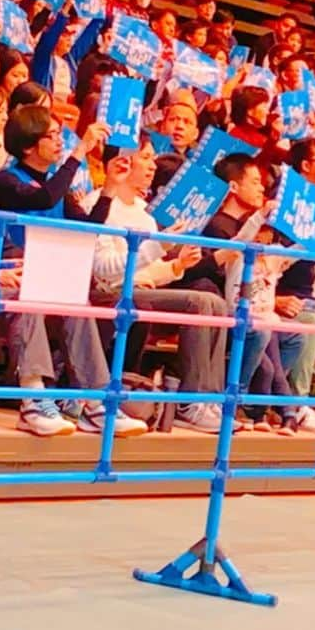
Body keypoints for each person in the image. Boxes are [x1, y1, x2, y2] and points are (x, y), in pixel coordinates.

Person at [0, 105, 147, 437]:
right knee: (30, 297)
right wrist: (79, 153)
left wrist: (109, 189)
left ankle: (96, 404)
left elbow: (89, 228)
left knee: (78, 304)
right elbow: (44, 199)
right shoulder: (5, 180)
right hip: (8, 275)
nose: (59, 140)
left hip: (53, 275)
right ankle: (33, 399)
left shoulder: (56, 185)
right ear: (28, 145)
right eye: (51, 134)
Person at [87, 139, 229, 434]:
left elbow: (149, 269)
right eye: (146, 158)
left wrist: (177, 266)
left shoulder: (144, 212)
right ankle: (192, 402)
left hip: (140, 288)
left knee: (216, 303)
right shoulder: (98, 204)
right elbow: (107, 271)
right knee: (200, 303)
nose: (153, 165)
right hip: (109, 290)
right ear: (124, 162)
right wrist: (157, 247)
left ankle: (211, 399)